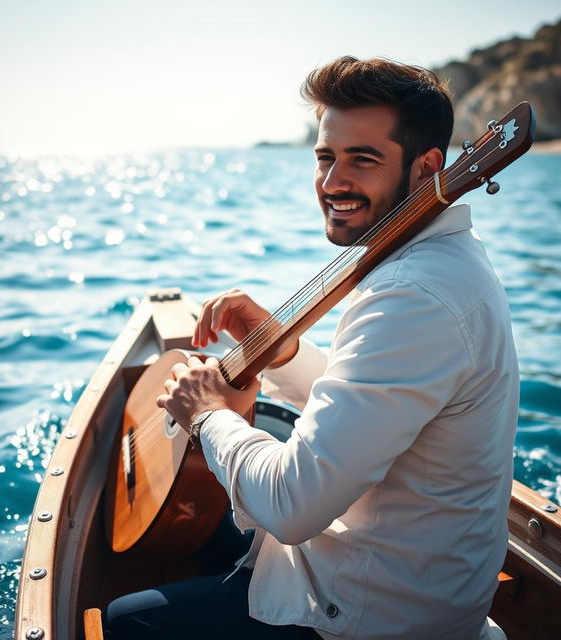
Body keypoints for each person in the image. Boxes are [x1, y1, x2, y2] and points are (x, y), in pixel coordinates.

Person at [105, 57, 518, 639]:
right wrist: (282, 352)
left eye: (363, 159)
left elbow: (293, 507)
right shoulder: (436, 263)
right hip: (410, 574)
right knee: (212, 525)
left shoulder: (413, 295)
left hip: (381, 614)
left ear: (428, 167)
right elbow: (378, 395)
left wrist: (206, 415)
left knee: (129, 621)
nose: (332, 183)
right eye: (326, 157)